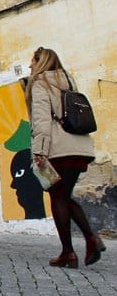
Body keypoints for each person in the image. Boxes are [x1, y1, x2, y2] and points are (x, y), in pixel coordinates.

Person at [25, 47, 104, 268]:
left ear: (40, 63)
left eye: (32, 61)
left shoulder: (40, 83)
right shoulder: (69, 82)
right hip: (80, 148)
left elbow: (41, 120)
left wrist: (39, 151)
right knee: (65, 196)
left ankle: (68, 252)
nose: (30, 66)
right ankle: (91, 239)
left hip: (58, 149)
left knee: (58, 198)